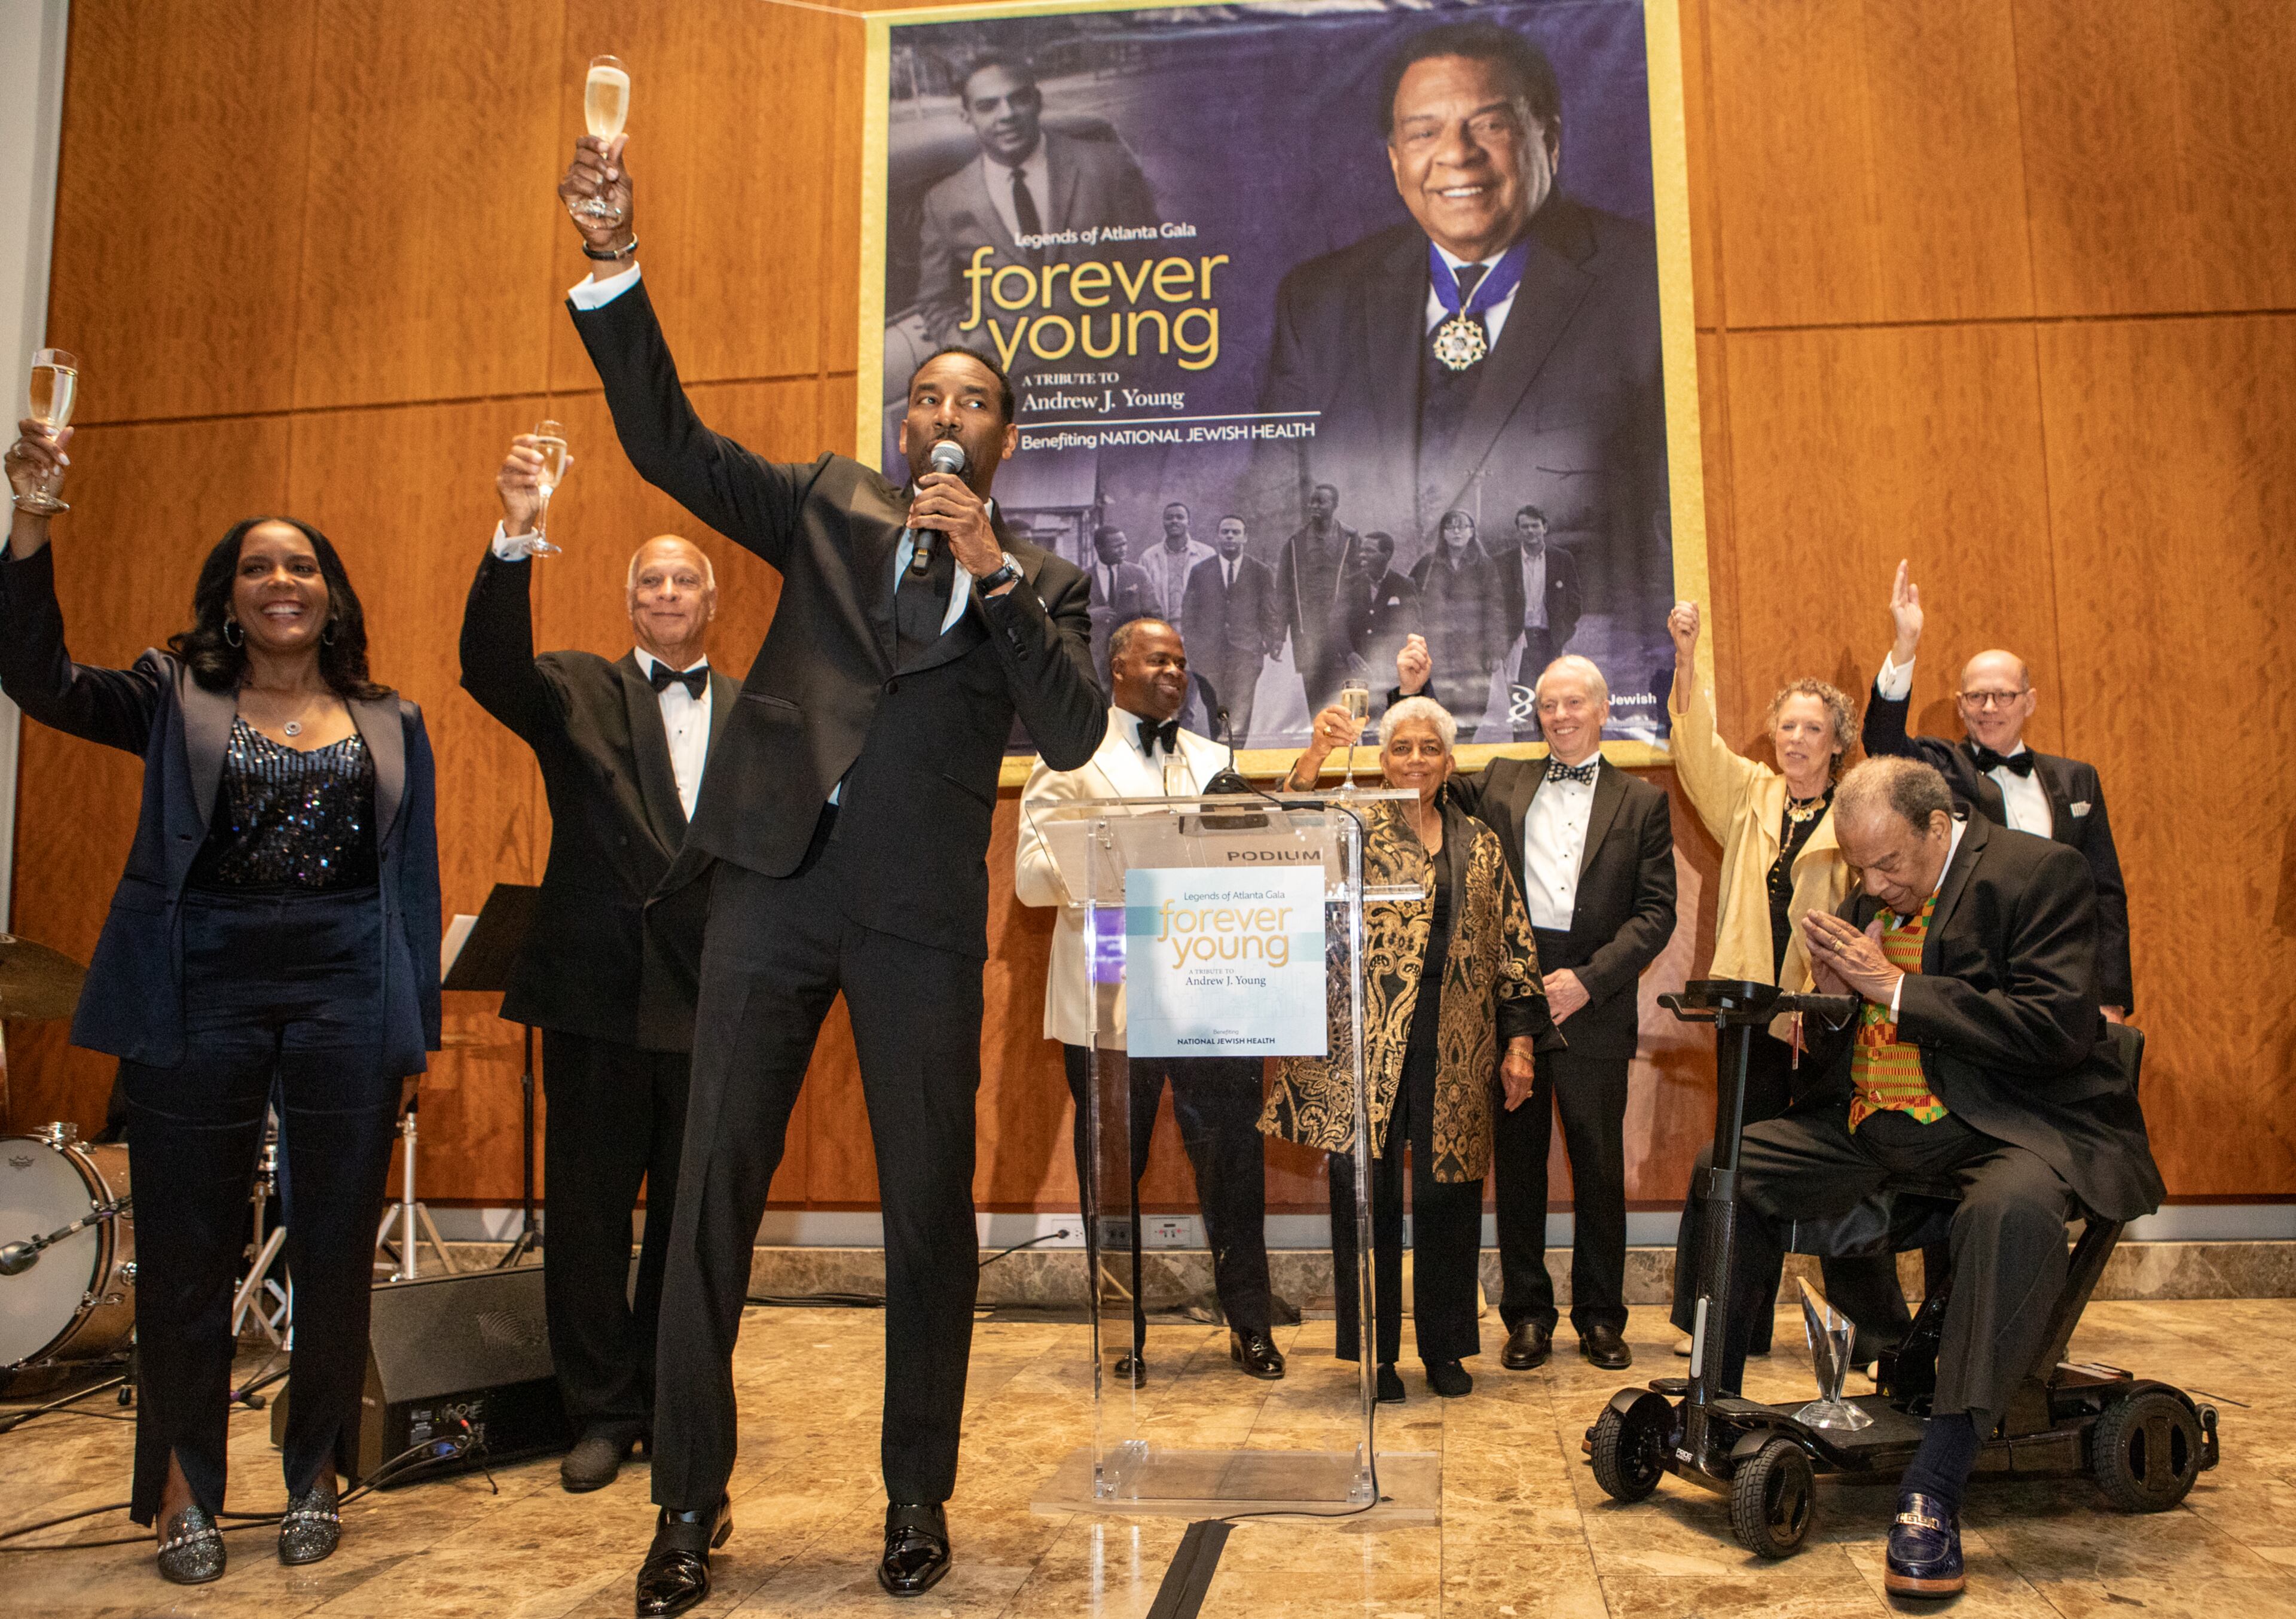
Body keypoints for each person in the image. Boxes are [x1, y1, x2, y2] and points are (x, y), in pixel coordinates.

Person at [558, 133, 1107, 1611]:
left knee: (930, 1207)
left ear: (1005, 439)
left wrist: (990, 568)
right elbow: (670, 441)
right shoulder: (820, 503)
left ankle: (915, 1495)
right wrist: (615, 267)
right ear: (898, 414)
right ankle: (686, 1504)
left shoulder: (1038, 584)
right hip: (771, 888)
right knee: (709, 1197)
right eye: (927, 393)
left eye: (974, 401)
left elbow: (1070, 731)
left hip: (919, 918)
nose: (943, 413)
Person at [0, 429, 440, 1585]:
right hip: (201, 987)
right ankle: (183, 1488)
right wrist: (34, 523)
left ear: (331, 594)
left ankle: (316, 1471)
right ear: (230, 598)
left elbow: (415, 885)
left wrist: (412, 1022)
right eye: (258, 568)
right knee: (191, 1252)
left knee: (340, 1244)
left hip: (347, 987)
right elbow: (37, 677)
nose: (282, 581)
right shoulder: (170, 694)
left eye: (302, 566)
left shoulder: (391, 718)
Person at [1669, 757, 2163, 1596]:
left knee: (2009, 1213)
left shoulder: (2040, 873)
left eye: (1889, 861)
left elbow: (2056, 1027)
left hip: (2007, 1124)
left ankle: (1937, 1479)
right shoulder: (1873, 897)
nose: (1873, 881)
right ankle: (1712, 1400)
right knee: (1734, 1162)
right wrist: (1829, 1003)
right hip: (1879, 1126)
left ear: (1939, 826)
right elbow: (1854, 1041)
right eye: (1861, 866)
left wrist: (1891, 987)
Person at [459, 439, 738, 1493]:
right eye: (649, 580)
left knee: (688, 1215)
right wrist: (517, 532)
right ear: (629, 603)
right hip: (593, 994)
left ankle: (671, 1401)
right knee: (583, 1213)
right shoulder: (573, 689)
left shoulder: (756, 708)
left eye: (683, 580)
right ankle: (600, 1409)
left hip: (709, 996)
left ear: (708, 604)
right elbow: (487, 665)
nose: (666, 592)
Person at [1260, 21, 1668, 593]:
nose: (1457, 154)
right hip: (1369, 666)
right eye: (1424, 133)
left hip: (1565, 665)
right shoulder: (1316, 302)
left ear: (1549, 141)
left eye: (1490, 125)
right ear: (1396, 160)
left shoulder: (1649, 283)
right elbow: (1274, 518)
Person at [1263, 697, 1561, 1400]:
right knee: (1363, 1192)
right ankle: (1376, 1351)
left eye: (1431, 748)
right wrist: (1313, 759)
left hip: (1455, 1036)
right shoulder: (1351, 825)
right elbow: (1283, 833)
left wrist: (1520, 1042)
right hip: (1362, 1037)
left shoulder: (1481, 843)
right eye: (1403, 748)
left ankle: (1445, 1346)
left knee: (1449, 1192)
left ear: (1450, 762)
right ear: (1382, 759)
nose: (1418, 759)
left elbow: (1514, 949)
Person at [1013, 617, 1282, 1383]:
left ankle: (1252, 1326)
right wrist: (1106, 861)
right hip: (1110, 991)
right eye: (1159, 658)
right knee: (1111, 1172)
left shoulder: (1214, 760)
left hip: (1210, 992)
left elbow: (1247, 859)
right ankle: (1118, 1332)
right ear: (1118, 665)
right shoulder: (1070, 753)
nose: (1175, 670)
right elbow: (1030, 878)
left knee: (1234, 1164)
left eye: (1183, 661)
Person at [1398, 639, 1675, 1369]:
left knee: (1598, 1166)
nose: (1559, 715)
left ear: (1603, 712)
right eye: (1548, 704)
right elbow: (1419, 779)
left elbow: (1655, 914)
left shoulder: (1643, 801)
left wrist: (1587, 979)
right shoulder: (1499, 779)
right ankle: (1526, 1315)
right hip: (1507, 1002)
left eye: (1573, 703)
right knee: (1517, 1166)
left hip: (1594, 1000)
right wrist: (1412, 697)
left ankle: (1602, 1317)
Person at [1662, 602, 1910, 1360]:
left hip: (1832, 1020)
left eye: (1811, 727)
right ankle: (1723, 1319)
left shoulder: (1860, 809)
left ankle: (1872, 1333)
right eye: (1787, 726)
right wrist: (1688, 655)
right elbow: (1694, 749)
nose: (1795, 738)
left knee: (1843, 1167)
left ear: (1838, 742)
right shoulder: (1751, 796)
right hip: (1753, 1016)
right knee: (1735, 1166)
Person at [1865, 562, 2133, 1020]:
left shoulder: (2078, 780)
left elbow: (2105, 894)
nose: (1989, 708)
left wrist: (2110, 996)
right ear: (1961, 706)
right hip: (1975, 974)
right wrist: (1905, 645)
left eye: (2004, 696)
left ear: (2029, 701)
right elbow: (1883, 745)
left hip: (2060, 969)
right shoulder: (1940, 766)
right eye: (1976, 697)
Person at [912, 52, 1159, 347]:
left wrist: (1139, 347)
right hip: (1011, 380)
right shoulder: (944, 201)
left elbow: (1153, 267)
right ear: (968, 117)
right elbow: (936, 300)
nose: (1007, 114)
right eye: (988, 106)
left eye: (1019, 99)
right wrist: (966, 345)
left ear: (1038, 102)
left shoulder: (1107, 167)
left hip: (1113, 370)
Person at [1406, 509, 1508, 737]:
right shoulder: (1428, 564)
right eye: (1450, 527)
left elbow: (1495, 609)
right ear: (1443, 533)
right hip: (1436, 650)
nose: (1456, 532)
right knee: (1436, 710)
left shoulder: (1484, 565)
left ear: (1472, 532)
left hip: (1474, 650)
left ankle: (1463, 755)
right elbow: (1410, 601)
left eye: (1462, 527)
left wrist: (1494, 651)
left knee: (1471, 709)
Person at [1179, 515, 1280, 742]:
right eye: (1225, 532)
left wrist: (1267, 641)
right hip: (1208, 657)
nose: (1230, 537)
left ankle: (1235, 761)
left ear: (1245, 537)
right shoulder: (1200, 571)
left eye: (1236, 532)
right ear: (1217, 537)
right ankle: (1221, 762)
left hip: (1246, 654)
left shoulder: (1260, 572)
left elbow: (1269, 610)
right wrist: (1194, 648)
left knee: (1240, 712)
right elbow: (1189, 613)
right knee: (1216, 710)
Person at [1274, 481, 1366, 717]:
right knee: (1315, 697)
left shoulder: (1350, 537)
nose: (1314, 506)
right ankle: (1322, 742)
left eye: (1321, 502)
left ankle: (1349, 745)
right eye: (1312, 502)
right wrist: (1278, 634)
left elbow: (1360, 582)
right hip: (1307, 628)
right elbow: (1283, 590)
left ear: (1334, 505)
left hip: (1343, 628)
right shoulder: (1296, 542)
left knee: (1345, 694)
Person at [1494, 505, 1581, 736]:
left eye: (1535, 526)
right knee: (1522, 704)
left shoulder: (1562, 559)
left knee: (1553, 701)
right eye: (1525, 527)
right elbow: (1495, 605)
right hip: (1519, 643)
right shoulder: (1504, 562)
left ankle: (1552, 753)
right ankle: (1524, 755)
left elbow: (1575, 603)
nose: (1530, 531)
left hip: (1550, 641)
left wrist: (1562, 633)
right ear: (1518, 531)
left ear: (1545, 528)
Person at [1086, 523, 1155, 687]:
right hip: (1096, 653)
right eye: (1116, 546)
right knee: (1099, 698)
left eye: (1124, 544)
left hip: (1131, 650)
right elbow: (1069, 614)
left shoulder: (1138, 574)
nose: (1123, 549)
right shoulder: (1083, 577)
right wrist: (1091, 615)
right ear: (1099, 548)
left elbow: (1153, 613)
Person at [1352, 530, 1423, 686]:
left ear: (1387, 555)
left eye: (1370, 551)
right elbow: (1337, 624)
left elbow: (1413, 626)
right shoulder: (1351, 585)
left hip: (1391, 670)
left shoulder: (1404, 585)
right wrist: (1349, 654)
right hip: (1356, 670)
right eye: (1362, 551)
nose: (1362, 555)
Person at [1137, 501, 1213, 638]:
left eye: (1180, 517)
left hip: (1198, 632)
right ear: (1163, 522)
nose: (1174, 521)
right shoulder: (1148, 557)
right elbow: (1141, 599)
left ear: (1189, 522)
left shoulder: (1206, 554)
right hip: (1161, 633)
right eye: (1169, 518)